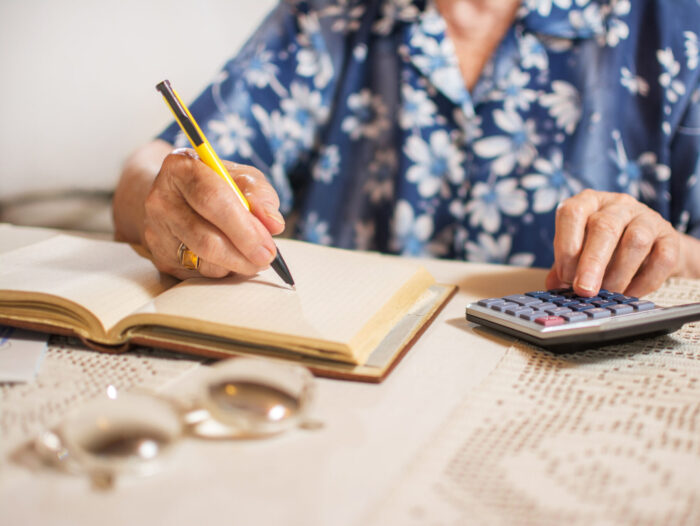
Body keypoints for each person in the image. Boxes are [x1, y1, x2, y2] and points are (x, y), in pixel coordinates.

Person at [113, 0, 700, 298]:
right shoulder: (326, 14)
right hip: (347, 394)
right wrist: (168, 202)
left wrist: (663, 250)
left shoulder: (674, 26)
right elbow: (151, 171)